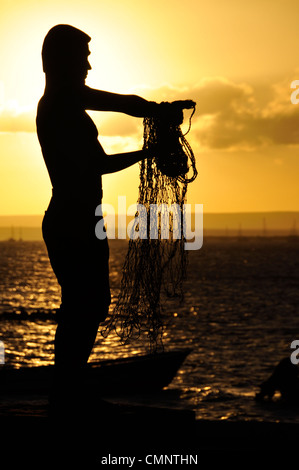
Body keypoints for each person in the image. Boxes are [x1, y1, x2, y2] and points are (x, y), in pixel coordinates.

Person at [36, 24, 194, 404]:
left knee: (89, 302)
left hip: (80, 218)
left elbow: (121, 111)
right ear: (63, 59)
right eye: (82, 55)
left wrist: (155, 118)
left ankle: (68, 385)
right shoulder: (61, 100)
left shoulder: (66, 99)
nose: (88, 64)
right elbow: (99, 162)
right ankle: (67, 390)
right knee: (84, 303)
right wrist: (152, 136)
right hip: (71, 218)